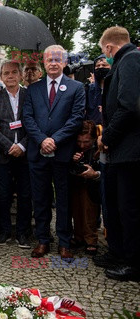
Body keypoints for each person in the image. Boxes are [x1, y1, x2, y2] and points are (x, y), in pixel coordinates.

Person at [23, 44, 85, 260]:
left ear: (65, 62)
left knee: (64, 199)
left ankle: (65, 242)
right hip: (37, 153)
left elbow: (76, 119)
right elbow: (27, 118)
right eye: (49, 59)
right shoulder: (33, 89)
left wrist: (54, 140)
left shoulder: (76, 88)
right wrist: (42, 140)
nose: (53, 63)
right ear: (44, 62)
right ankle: (42, 240)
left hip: (62, 153)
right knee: (40, 198)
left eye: (58, 59)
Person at [98, 26, 140, 281]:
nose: (106, 57)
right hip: (121, 152)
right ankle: (119, 252)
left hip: (131, 151)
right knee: (116, 204)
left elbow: (129, 106)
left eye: (105, 52)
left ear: (110, 48)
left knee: (131, 208)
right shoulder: (125, 61)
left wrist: (107, 137)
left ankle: (134, 263)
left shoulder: (131, 60)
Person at [0, 60, 32, 249]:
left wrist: (22, 146)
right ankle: (4, 230)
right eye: (6, 73)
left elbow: (36, 124)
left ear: (20, 75)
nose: (10, 76)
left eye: (14, 72)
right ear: (2, 76)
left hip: (26, 155)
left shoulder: (30, 96)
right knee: (2, 195)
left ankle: (23, 232)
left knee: (25, 195)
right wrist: (8, 146)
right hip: (2, 155)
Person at [69, 120, 101, 255]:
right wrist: (74, 160)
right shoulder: (74, 148)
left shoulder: (100, 148)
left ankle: (91, 239)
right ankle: (78, 236)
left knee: (90, 210)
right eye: (79, 142)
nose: (82, 145)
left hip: (93, 185)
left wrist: (95, 174)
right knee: (76, 208)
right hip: (76, 181)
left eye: (86, 142)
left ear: (93, 139)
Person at [86, 55, 110, 125]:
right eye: (98, 66)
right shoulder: (89, 89)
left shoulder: (117, 87)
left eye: (104, 65)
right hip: (94, 129)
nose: (100, 67)